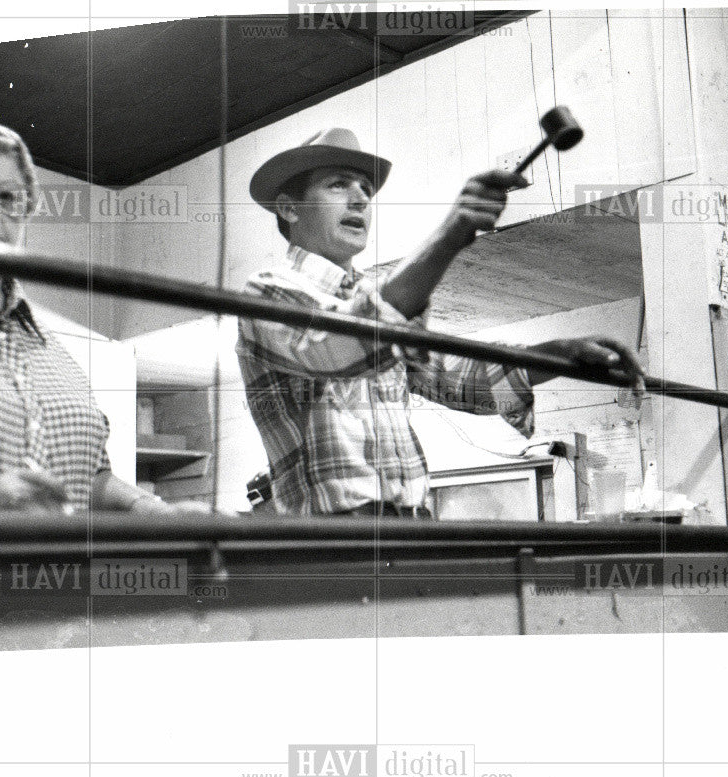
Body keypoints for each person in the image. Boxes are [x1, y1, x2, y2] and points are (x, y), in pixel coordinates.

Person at [237, 128, 643, 517]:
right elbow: (337, 349)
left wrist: (561, 355)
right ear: (290, 208)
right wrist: (452, 232)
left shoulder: (382, 299)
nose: (360, 198)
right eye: (338, 184)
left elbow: (457, 379)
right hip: (331, 542)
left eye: (365, 188)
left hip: (412, 528)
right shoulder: (267, 292)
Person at [0, 117, 199, 514]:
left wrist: (149, 507)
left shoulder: (49, 344)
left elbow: (88, 476)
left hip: (60, 577)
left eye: (9, 197)